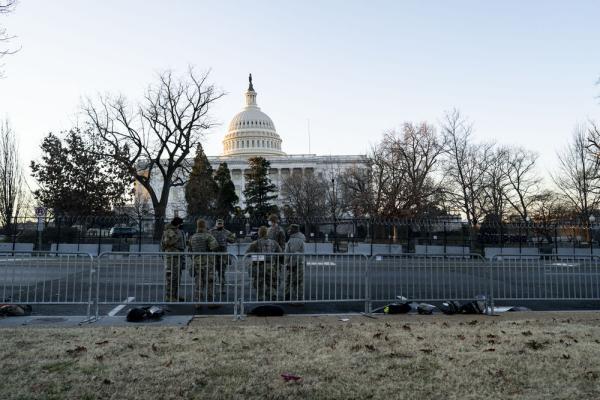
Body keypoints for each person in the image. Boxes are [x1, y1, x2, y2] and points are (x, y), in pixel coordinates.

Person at [246, 226, 282, 301]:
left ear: (259, 233)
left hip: (260, 266)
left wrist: (256, 257)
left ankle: (260, 296)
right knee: (272, 281)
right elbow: (280, 253)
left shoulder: (255, 243)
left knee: (259, 282)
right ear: (267, 233)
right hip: (271, 265)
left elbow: (247, 253)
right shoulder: (274, 242)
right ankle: (273, 294)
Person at [188, 219, 219, 307]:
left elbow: (190, 250)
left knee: (198, 282)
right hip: (207, 263)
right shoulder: (208, 236)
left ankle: (198, 302)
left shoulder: (192, 237)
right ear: (205, 226)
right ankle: (211, 302)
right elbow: (215, 247)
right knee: (210, 281)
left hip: (196, 263)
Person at [160, 217, 185, 302]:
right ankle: (169, 296)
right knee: (171, 277)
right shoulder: (169, 231)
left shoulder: (177, 231)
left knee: (177, 277)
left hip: (177, 256)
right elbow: (167, 243)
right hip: (171, 257)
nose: (182, 225)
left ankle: (175, 295)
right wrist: (177, 236)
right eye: (181, 223)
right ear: (178, 224)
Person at [210, 218, 236, 293]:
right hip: (214, 254)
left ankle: (222, 289)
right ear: (216, 224)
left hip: (223, 254)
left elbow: (233, 240)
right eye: (218, 224)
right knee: (212, 272)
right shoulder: (211, 232)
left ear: (223, 224)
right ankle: (212, 289)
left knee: (222, 272)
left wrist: (227, 238)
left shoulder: (227, 232)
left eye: (221, 224)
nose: (219, 225)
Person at [284, 224, 305, 302]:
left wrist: (290, 265)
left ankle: (292, 298)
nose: (288, 231)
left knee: (291, 281)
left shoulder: (295, 240)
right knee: (299, 282)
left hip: (294, 265)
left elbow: (294, 254)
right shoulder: (298, 238)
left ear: (293, 230)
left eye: (290, 229)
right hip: (298, 263)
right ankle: (298, 298)